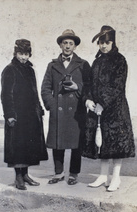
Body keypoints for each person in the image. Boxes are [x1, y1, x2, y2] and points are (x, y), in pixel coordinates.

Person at [82, 26, 135, 192]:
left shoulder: (120, 60)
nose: (103, 46)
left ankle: (116, 178)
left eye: (107, 42)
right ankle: (103, 175)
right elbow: (89, 84)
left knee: (116, 144)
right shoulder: (96, 62)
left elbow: (117, 86)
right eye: (101, 43)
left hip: (115, 110)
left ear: (113, 42)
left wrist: (102, 103)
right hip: (98, 110)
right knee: (102, 143)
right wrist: (88, 99)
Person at [41, 29, 91, 185]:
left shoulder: (83, 64)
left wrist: (77, 87)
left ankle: (73, 174)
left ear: (75, 46)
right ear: (60, 45)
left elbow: (90, 87)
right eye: (65, 43)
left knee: (76, 144)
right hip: (59, 110)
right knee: (58, 143)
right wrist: (52, 104)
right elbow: (45, 88)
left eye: (71, 43)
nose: (68, 46)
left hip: (76, 110)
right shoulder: (52, 65)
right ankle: (58, 173)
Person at [1, 39, 48, 190]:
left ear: (29, 54)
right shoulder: (9, 70)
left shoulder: (30, 70)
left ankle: (26, 175)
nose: (23, 57)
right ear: (15, 53)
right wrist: (9, 115)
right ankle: (18, 177)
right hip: (17, 116)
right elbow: (6, 95)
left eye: (26, 54)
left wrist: (39, 109)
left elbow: (34, 93)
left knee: (29, 146)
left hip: (30, 116)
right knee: (18, 146)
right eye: (20, 54)